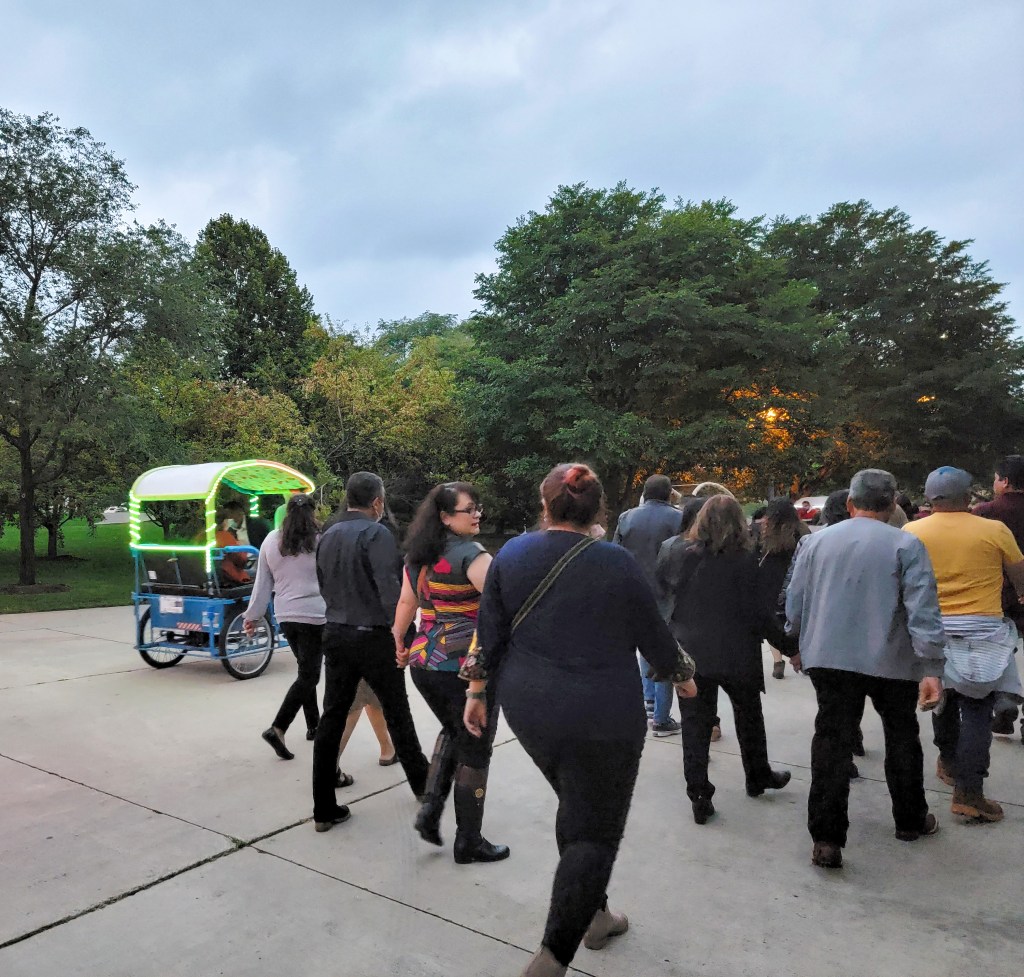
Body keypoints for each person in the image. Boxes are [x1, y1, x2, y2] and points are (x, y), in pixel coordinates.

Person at [461, 463, 696, 977]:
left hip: (530, 710)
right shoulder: (615, 562)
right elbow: (656, 639)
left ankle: (596, 914)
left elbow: (489, 633)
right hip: (602, 715)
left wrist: (476, 691)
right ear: (599, 510)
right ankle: (553, 957)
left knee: (579, 805)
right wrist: (684, 677)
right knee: (594, 832)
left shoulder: (511, 554)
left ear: (545, 504)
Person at [786, 469, 946, 869]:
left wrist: (797, 642)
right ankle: (910, 820)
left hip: (830, 657)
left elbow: (795, 601)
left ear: (850, 503)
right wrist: (931, 666)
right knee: (902, 735)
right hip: (892, 660)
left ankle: (827, 839)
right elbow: (922, 611)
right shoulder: (907, 545)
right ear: (892, 505)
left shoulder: (814, 542)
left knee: (831, 740)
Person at [657, 495, 793, 825]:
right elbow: (759, 613)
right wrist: (789, 647)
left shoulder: (676, 553)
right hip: (737, 652)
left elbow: (663, 595)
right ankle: (757, 775)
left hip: (692, 651)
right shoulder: (746, 560)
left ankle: (699, 794)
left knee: (694, 724)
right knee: (749, 716)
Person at [393, 481, 509, 864]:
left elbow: (407, 602)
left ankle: (430, 811)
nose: (477, 514)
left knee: (454, 730)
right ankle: (469, 841)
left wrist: (398, 640)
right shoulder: (473, 556)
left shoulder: (418, 555)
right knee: (475, 747)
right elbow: (501, 609)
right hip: (464, 667)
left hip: (424, 662)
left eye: (478, 508)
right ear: (445, 516)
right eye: (469, 509)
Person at [904, 466, 1024, 822]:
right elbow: (1019, 575)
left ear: (929, 498)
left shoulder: (912, 532)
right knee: (977, 707)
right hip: (982, 629)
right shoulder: (994, 530)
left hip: (932, 629)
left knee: (943, 696)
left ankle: (948, 762)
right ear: (968, 496)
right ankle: (970, 792)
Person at [311, 471, 429, 833]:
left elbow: (323, 584)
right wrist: (405, 636)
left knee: (332, 717)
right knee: (397, 712)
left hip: (337, 631)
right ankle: (424, 788)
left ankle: (323, 808)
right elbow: (391, 593)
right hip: (374, 636)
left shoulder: (328, 535)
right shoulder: (377, 534)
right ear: (377, 502)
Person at [245, 494, 324, 761]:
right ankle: (278, 728)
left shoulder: (271, 540)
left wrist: (252, 616)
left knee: (305, 670)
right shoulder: (320, 539)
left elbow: (262, 583)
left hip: (286, 615)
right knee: (310, 675)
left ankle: (314, 725)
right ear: (313, 512)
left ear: (286, 512)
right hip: (315, 614)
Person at [613, 473, 684, 737]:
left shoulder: (626, 517)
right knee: (663, 651)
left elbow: (616, 554)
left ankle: (650, 700)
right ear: (668, 493)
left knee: (644, 648)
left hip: (635, 592)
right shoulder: (678, 518)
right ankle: (662, 718)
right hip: (667, 595)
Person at [972, 455, 1024, 737]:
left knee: (1000, 649)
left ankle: (1004, 703)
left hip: (996, 594)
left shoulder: (985, 512)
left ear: (1004, 481)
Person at [756, 499, 808, 680]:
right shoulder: (805, 538)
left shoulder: (770, 547)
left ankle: (779, 660)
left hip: (776, 604)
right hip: (801, 603)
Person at [214, 506, 251, 585]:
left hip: (205, 578)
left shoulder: (200, 538)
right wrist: (241, 547)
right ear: (225, 521)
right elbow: (241, 560)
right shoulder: (225, 537)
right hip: (230, 578)